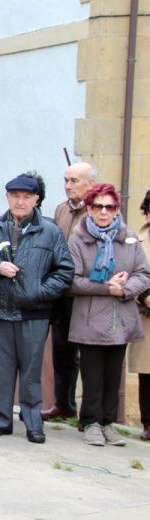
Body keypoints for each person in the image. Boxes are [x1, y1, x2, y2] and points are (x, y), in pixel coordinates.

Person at [0, 173, 74, 444]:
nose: (20, 202)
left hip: (34, 313)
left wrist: (39, 293)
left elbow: (65, 271)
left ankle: (32, 423)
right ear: (7, 197)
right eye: (15, 196)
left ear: (36, 200)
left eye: (26, 197)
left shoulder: (50, 231)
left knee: (31, 372)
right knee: (0, 369)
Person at [67, 183, 150, 446]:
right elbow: (72, 280)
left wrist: (124, 290)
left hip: (121, 317)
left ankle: (107, 423)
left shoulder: (130, 238)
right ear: (89, 209)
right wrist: (107, 288)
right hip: (89, 318)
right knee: (92, 375)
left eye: (110, 207)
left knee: (114, 375)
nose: (104, 211)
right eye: (98, 206)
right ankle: (90, 422)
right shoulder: (78, 239)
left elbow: (143, 274)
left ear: (116, 209)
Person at [43, 162, 97, 421]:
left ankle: (91, 413)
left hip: (87, 293)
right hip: (61, 291)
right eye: (66, 180)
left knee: (88, 355)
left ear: (91, 184)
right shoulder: (61, 209)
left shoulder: (99, 211)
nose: (68, 185)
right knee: (62, 351)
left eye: (74, 180)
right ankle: (63, 405)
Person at [132, 189, 150, 441]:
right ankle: (148, 423)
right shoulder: (136, 240)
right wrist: (145, 295)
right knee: (148, 372)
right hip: (146, 313)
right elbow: (131, 270)